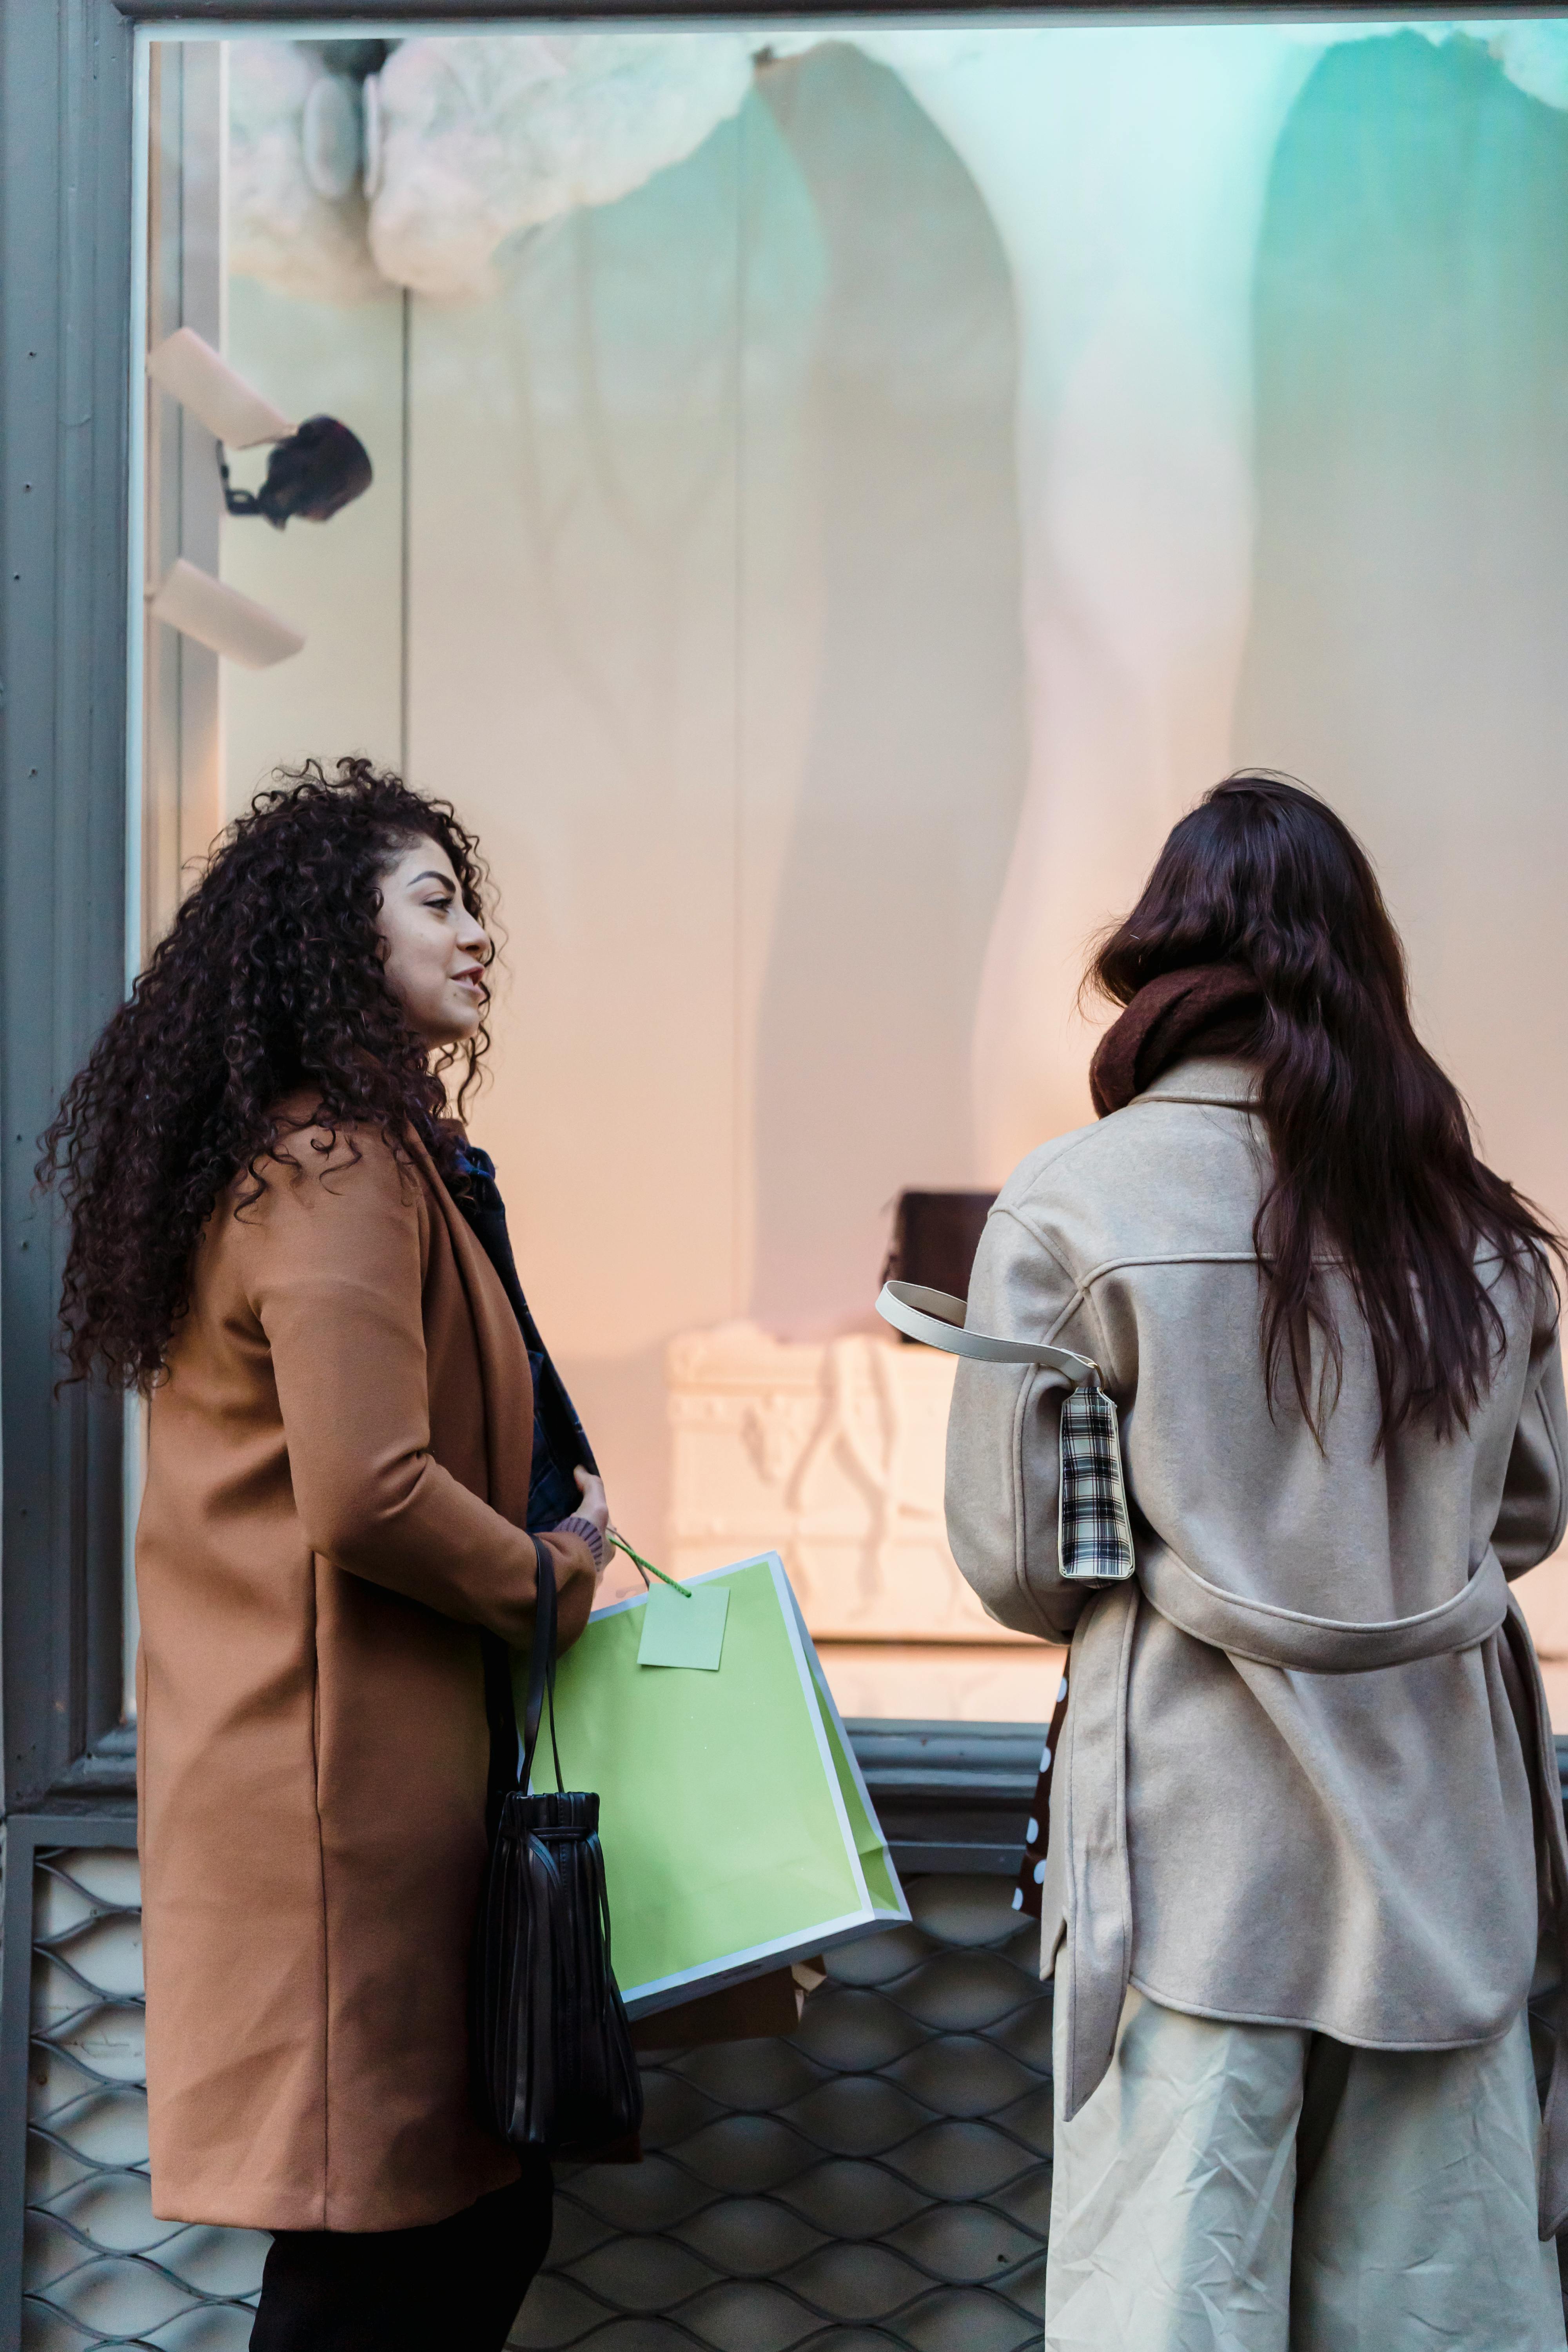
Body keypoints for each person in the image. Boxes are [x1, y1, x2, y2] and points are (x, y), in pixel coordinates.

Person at [944, 774, 1568, 2351]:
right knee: (1436, 2309)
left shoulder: (1075, 1204)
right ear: (1366, 964)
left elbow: (1022, 1562)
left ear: (1160, 958)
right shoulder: (1478, 1231)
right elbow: (1527, 1518)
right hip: (1442, 1850)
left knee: (1176, 2304)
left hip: (1191, 1861)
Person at [40, 759, 606, 2352]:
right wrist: (555, 1571)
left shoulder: (346, 1156)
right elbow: (368, 1492)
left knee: (460, 2220)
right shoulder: (338, 1168)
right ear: (331, 944)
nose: (479, 934)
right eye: (436, 901)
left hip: (347, 1776)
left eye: (472, 897)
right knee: (385, 2253)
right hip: (332, 1795)